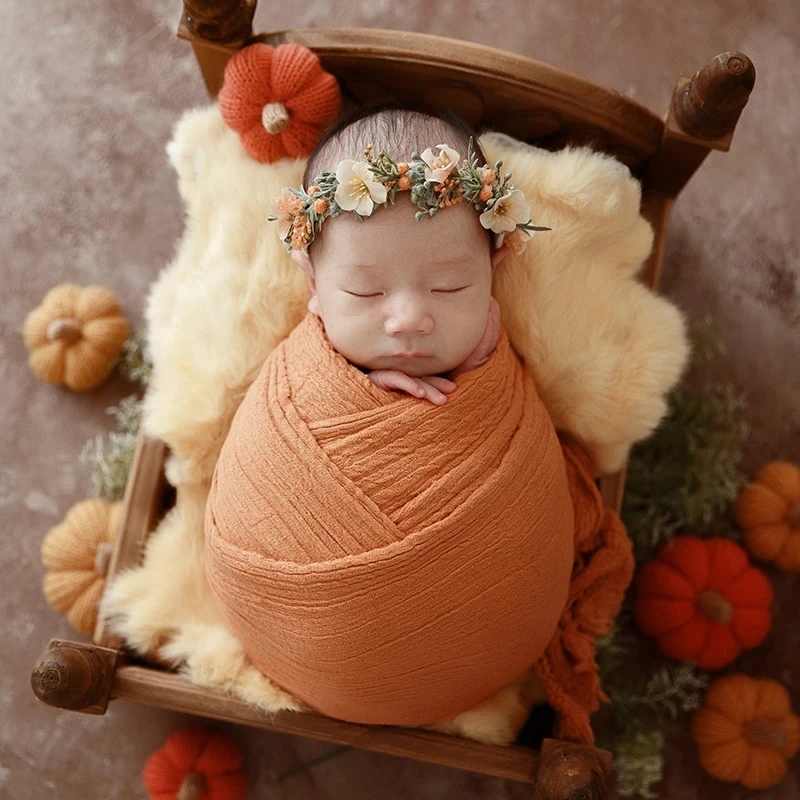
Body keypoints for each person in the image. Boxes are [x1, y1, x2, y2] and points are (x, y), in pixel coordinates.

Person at [269, 100, 548, 404]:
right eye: (365, 291)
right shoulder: (298, 382)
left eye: (448, 287)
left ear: (492, 271)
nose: (409, 320)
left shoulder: (498, 361)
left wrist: (474, 376)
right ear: (313, 284)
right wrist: (361, 390)